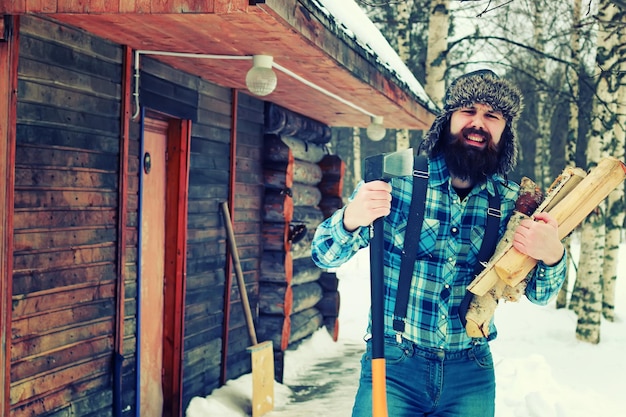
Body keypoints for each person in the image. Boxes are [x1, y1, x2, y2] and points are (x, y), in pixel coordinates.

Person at [311, 69, 567, 417]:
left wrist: (553, 255)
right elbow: (323, 256)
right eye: (468, 111)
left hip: (470, 374)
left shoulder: (512, 204)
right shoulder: (396, 182)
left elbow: (540, 294)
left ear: (505, 132)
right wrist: (350, 218)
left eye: (492, 116)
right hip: (394, 367)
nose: (478, 123)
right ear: (447, 120)